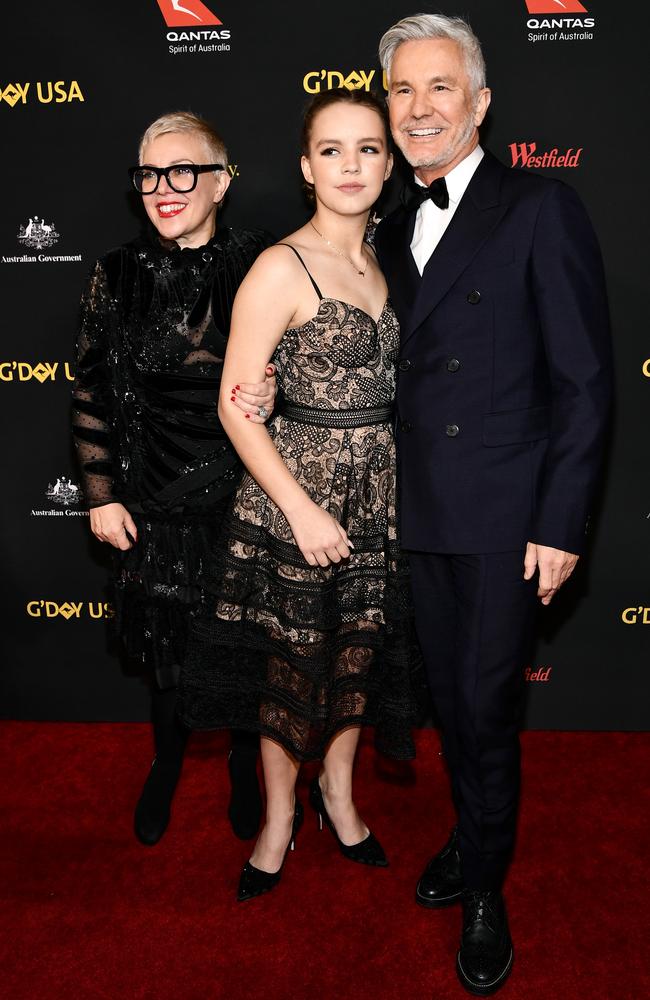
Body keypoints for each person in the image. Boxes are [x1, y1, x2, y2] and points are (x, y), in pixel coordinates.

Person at [374, 13, 612, 995]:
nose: (418, 108)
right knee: (449, 705)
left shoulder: (537, 208)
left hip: (505, 517)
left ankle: (484, 886)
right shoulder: (389, 226)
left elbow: (586, 380)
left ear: (477, 104)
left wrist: (560, 521)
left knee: (481, 708)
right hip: (415, 512)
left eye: (439, 88)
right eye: (399, 90)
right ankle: (469, 838)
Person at [179, 88, 419, 901]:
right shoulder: (280, 266)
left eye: (368, 149)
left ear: (389, 165)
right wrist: (301, 509)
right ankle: (279, 816)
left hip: (378, 493)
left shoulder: (393, 255)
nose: (351, 166)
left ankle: (338, 794)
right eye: (332, 150)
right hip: (297, 496)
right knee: (287, 669)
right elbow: (235, 407)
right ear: (306, 167)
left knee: (355, 656)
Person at [72, 111, 277, 848]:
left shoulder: (260, 262)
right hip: (152, 496)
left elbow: (287, 375)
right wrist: (101, 496)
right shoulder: (116, 273)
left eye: (183, 170)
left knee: (244, 645)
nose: (164, 188)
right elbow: (91, 391)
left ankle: (246, 765)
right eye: (151, 174)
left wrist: (274, 391)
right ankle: (166, 761)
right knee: (164, 649)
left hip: (242, 494)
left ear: (221, 182)